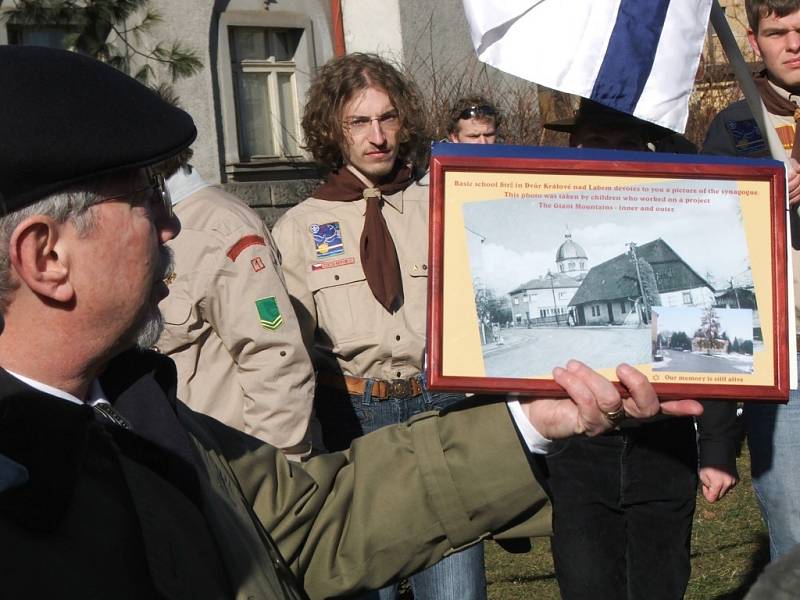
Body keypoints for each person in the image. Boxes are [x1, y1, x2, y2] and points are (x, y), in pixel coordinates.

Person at [0, 45, 702, 600]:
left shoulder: (142, 420)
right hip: (356, 409)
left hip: (438, 406)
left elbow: (316, 523)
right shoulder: (36, 488)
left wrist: (529, 419)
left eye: (388, 117)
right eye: (145, 198)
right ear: (46, 257)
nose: (173, 220)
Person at [272, 53, 492, 600]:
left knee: (455, 589)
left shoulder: (440, 205)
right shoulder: (299, 228)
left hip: (440, 412)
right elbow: (289, 353)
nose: (378, 136)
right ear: (332, 130)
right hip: (354, 420)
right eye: (360, 122)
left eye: (388, 118)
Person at [542, 99, 741, 600]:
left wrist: (716, 449)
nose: (610, 155)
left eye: (626, 143)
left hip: (663, 443)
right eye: (596, 142)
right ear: (574, 146)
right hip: (579, 450)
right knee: (587, 585)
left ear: (646, 147)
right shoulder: (539, 201)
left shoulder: (667, 223)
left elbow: (705, 350)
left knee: (661, 583)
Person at [702, 0, 800, 560]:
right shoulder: (732, 127)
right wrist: (716, 439)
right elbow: (712, 266)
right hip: (784, 371)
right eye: (777, 32)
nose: (792, 44)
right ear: (753, 40)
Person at [156, 164, 314, 459]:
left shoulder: (222, 226)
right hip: (178, 458)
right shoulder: (138, 219)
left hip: (230, 464)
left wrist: (273, 473)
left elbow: (275, 356)